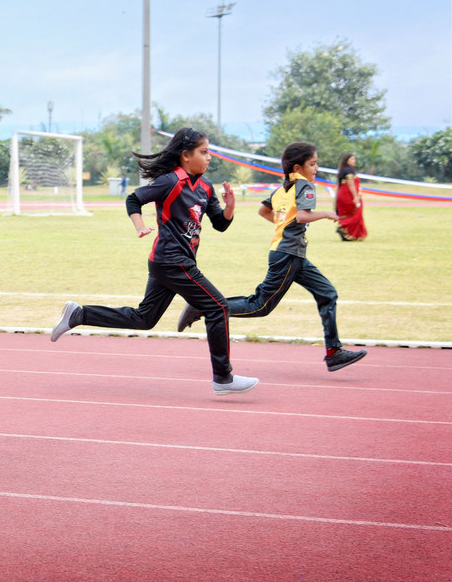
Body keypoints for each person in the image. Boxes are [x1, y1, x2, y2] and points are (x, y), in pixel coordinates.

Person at [51, 127, 258, 395]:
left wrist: (230, 207)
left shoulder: (206, 188)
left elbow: (220, 225)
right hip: (173, 261)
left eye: (209, 153)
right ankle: (223, 377)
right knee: (218, 306)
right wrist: (139, 225)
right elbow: (134, 199)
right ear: (185, 156)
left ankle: (80, 314)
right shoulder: (171, 182)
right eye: (204, 152)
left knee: (144, 319)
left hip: (169, 263)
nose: (209, 158)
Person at [178, 142, 367, 373]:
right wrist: (326, 213)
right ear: (298, 166)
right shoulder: (305, 186)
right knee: (260, 305)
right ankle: (204, 307)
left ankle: (334, 352)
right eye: (313, 164)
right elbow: (302, 217)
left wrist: (283, 225)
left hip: (289, 253)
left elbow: (264, 211)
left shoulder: (282, 189)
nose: (316, 168)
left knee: (327, 293)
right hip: (288, 255)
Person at [335, 152, 367, 241]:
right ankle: (349, 233)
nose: (354, 161)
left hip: (342, 195)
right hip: (348, 195)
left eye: (354, 159)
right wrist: (355, 197)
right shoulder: (349, 171)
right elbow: (351, 184)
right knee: (355, 213)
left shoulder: (342, 170)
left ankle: (346, 231)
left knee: (347, 213)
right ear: (347, 161)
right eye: (352, 159)